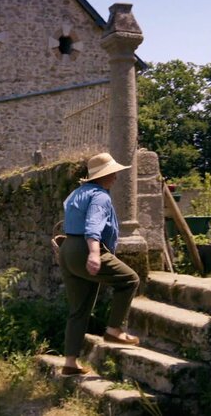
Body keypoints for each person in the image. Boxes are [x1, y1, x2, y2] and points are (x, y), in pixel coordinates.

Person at [58, 152, 140, 376]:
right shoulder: (100, 196)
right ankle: (114, 330)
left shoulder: (77, 193)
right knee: (130, 279)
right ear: (104, 175)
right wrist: (94, 253)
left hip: (68, 249)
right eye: (113, 172)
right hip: (86, 248)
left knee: (78, 309)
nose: (115, 176)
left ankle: (70, 362)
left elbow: (70, 219)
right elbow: (93, 225)